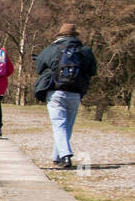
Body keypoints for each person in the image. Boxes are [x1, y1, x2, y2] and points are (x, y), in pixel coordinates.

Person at [34, 23, 98, 169]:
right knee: (67, 126)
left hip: (56, 92)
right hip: (75, 92)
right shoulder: (85, 51)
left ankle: (65, 155)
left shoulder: (52, 49)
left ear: (60, 35)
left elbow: (39, 68)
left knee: (59, 124)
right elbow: (93, 70)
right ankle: (57, 157)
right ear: (76, 36)